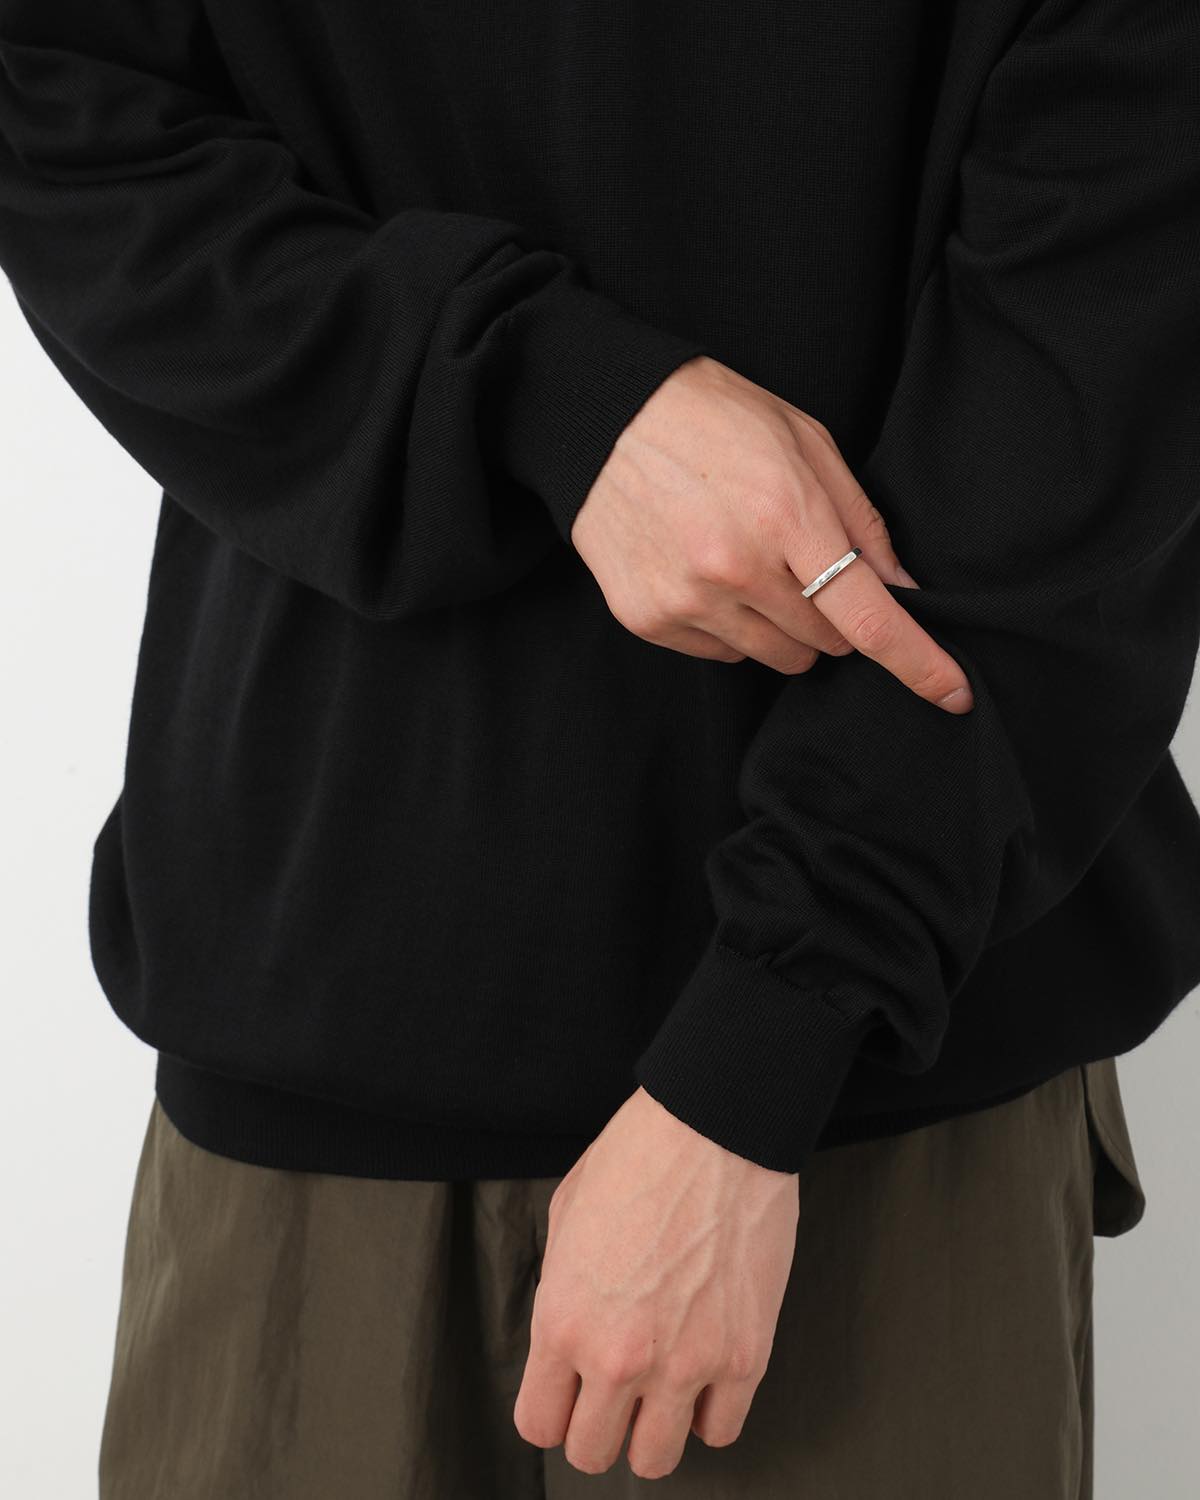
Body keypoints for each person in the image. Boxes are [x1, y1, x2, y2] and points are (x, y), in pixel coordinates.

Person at [0, 0, 1196, 1494]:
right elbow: (65, 97)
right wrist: (556, 398)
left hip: (874, 1106)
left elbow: (1085, 435)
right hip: (325, 1068)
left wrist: (760, 1053)